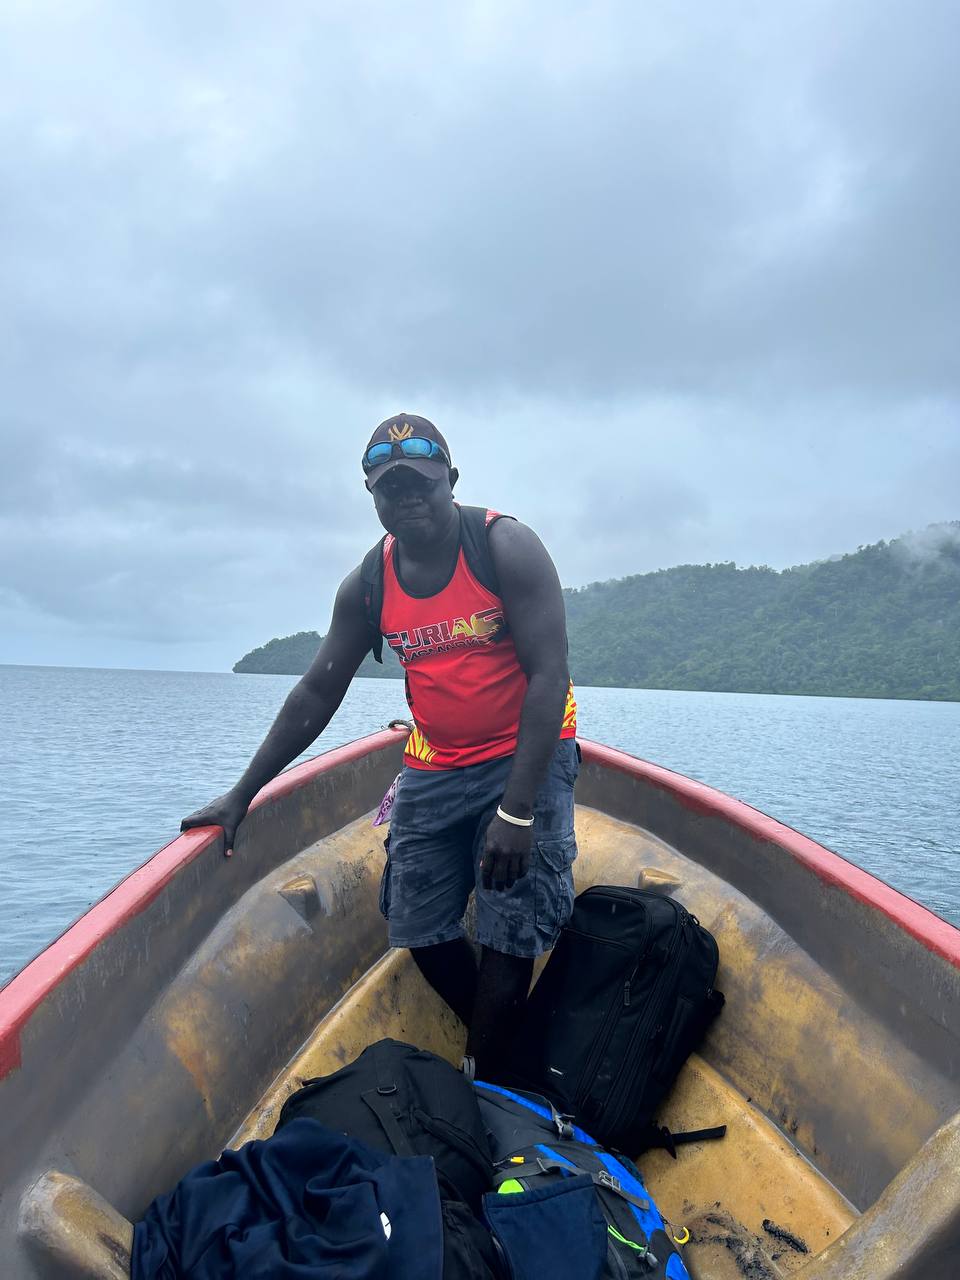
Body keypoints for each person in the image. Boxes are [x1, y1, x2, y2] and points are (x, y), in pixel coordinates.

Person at [181, 414, 579, 1076]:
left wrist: (516, 812)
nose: (408, 500)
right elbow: (316, 692)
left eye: (421, 485)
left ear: (450, 481)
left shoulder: (504, 547)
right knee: (417, 923)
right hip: (436, 760)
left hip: (526, 753)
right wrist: (241, 794)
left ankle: (491, 1079)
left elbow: (549, 677)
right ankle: (512, 1045)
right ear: (372, 496)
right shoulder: (370, 583)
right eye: (390, 490)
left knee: (513, 926)